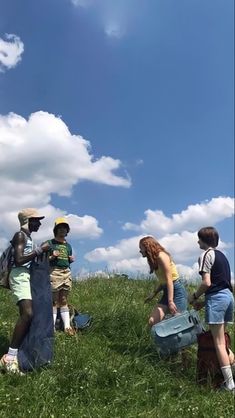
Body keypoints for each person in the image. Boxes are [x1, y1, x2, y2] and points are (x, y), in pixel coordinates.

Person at [0, 208, 49, 374]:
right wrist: (39, 250)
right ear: (28, 220)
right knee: (27, 314)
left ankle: (20, 354)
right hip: (19, 276)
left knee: (31, 314)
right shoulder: (20, 236)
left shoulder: (29, 238)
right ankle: (9, 357)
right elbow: (19, 260)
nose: (40, 223)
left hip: (26, 276)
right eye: (37, 220)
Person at [189, 226, 235, 392]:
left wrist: (194, 296)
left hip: (217, 299)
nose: (197, 241)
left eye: (199, 239)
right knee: (223, 340)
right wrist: (203, 303)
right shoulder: (223, 256)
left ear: (204, 240)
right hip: (228, 297)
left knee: (219, 343)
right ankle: (231, 373)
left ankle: (229, 385)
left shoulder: (205, 255)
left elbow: (207, 283)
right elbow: (222, 283)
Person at [139, 236, 187, 326]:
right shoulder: (155, 259)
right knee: (152, 321)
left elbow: (169, 280)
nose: (140, 251)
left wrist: (170, 301)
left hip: (177, 291)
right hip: (167, 291)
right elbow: (163, 281)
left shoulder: (162, 256)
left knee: (178, 324)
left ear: (147, 246)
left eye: (141, 248)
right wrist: (153, 294)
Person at [47, 217, 75, 336]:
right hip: (55, 272)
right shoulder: (50, 243)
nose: (63, 230)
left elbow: (68, 259)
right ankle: (51, 328)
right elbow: (44, 260)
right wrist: (52, 257)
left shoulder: (68, 246)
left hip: (66, 272)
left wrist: (71, 260)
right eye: (60, 228)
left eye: (65, 228)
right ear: (56, 229)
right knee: (54, 301)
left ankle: (67, 327)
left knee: (63, 300)